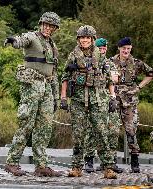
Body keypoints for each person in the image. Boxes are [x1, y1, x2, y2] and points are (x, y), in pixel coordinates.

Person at [3, 12, 62, 177]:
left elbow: (53, 72)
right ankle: (12, 162)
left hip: (47, 87)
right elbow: (21, 40)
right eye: (45, 25)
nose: (48, 28)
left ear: (55, 28)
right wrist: (13, 41)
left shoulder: (52, 46)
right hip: (32, 86)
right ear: (40, 24)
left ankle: (41, 165)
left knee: (44, 128)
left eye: (51, 26)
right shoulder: (32, 37)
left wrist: (56, 96)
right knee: (26, 123)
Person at [60, 25, 118, 179]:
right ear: (78, 39)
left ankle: (108, 168)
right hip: (78, 101)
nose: (84, 40)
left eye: (87, 38)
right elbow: (64, 77)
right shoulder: (73, 56)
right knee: (78, 135)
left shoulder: (101, 57)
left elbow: (109, 79)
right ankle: (76, 167)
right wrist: (63, 97)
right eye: (82, 38)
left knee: (101, 133)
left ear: (92, 39)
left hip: (97, 100)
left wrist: (112, 98)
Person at [110, 37, 153, 173]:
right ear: (119, 48)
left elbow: (150, 73)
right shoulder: (110, 62)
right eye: (124, 48)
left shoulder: (136, 63)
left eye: (128, 48)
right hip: (114, 100)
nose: (126, 51)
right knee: (112, 130)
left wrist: (139, 87)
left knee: (131, 131)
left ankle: (135, 161)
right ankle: (110, 162)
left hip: (130, 102)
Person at [84, 38, 123, 174]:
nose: (102, 50)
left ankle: (109, 162)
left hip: (108, 99)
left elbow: (115, 79)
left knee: (112, 130)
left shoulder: (108, 63)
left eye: (104, 48)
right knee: (91, 130)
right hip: (94, 99)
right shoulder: (89, 60)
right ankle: (88, 160)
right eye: (100, 48)